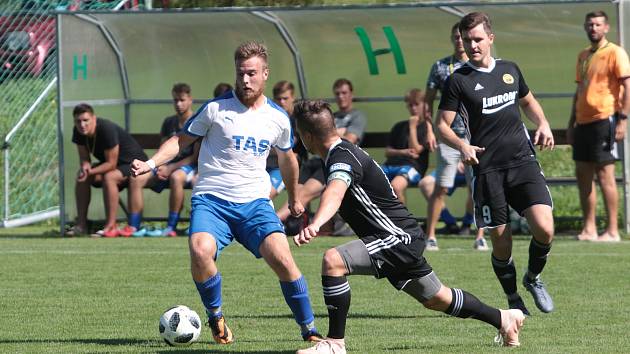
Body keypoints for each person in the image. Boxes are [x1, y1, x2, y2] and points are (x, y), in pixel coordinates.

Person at [292, 100, 525, 354]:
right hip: (403, 237)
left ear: (306, 136)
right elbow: (328, 190)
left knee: (333, 260)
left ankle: (335, 343)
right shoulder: (340, 154)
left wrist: (315, 223)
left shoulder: (341, 157)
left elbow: (334, 193)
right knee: (437, 298)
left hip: (395, 237)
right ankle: (504, 319)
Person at [131, 41, 322, 344]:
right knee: (199, 250)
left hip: (255, 204)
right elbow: (181, 141)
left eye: (251, 73)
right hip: (212, 200)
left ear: (265, 74)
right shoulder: (216, 108)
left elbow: (288, 159)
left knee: (284, 260)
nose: (245, 80)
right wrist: (152, 163)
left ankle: (309, 330)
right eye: (240, 73)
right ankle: (215, 316)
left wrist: (296, 199)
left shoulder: (278, 119)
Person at [436, 12, 555, 315]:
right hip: (487, 170)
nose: (472, 45)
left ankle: (534, 277)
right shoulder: (458, 80)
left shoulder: (510, 69)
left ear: (491, 38)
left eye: (477, 39)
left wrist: (543, 123)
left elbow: (528, 101)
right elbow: (442, 126)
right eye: (467, 40)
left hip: (522, 161)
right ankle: (513, 296)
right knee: (502, 244)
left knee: (545, 228)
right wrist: (462, 144)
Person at [568, 10, 630, 243]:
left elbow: (627, 86)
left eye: (597, 24)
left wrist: (623, 120)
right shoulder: (583, 55)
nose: (593, 28)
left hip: (605, 119)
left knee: (605, 175)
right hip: (583, 122)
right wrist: (571, 122)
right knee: (583, 174)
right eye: (589, 24)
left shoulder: (615, 52)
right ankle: (589, 228)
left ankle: (613, 230)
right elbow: (580, 90)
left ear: (606, 28)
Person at [276, 78, 367, 235]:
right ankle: (283, 222)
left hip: (335, 161)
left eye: (344, 93)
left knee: (303, 194)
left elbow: (350, 139)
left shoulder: (357, 116)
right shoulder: (331, 114)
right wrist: (339, 131)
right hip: (316, 160)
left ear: (351, 94)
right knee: (294, 193)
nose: (340, 97)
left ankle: (272, 223)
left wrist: (326, 132)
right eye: (337, 93)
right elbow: (322, 134)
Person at [422, 22, 480, 251]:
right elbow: (427, 101)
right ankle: (431, 235)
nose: (459, 41)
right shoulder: (440, 66)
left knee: (478, 186)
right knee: (441, 187)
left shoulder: (479, 64)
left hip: (474, 135)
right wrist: (428, 129)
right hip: (447, 136)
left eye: (462, 37)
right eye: (456, 37)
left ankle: (480, 235)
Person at [121, 83, 200, 237]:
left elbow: (194, 157)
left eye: (182, 100)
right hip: (167, 166)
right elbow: (163, 149)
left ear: (190, 100)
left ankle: (171, 227)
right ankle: (134, 226)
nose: (178, 104)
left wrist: (171, 168)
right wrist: (161, 166)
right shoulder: (168, 122)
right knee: (136, 179)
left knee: (177, 177)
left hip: (189, 167)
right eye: (175, 100)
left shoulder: (197, 121)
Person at [68, 103, 147, 237]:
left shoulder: (106, 128)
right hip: (115, 167)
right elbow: (84, 158)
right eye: (78, 121)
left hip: (135, 165)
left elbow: (111, 164)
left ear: (94, 118)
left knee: (109, 177)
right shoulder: (78, 131)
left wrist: (90, 171)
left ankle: (110, 226)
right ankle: (81, 225)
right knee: (82, 176)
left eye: (85, 120)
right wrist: (85, 167)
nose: (82, 125)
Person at [381, 88, 429, 204]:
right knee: (368, 183)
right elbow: (387, 151)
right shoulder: (399, 126)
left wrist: (413, 127)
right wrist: (403, 152)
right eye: (410, 105)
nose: (413, 109)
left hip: (412, 167)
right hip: (390, 165)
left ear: (424, 105)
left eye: (417, 104)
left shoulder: (428, 128)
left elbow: (416, 150)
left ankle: (402, 221)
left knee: (396, 187)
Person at [267, 81, 308, 200]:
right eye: (278, 99)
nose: (282, 102)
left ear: (293, 97)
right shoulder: (270, 118)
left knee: (265, 196)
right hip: (266, 162)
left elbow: (286, 147)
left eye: (285, 98)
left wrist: (267, 148)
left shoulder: (298, 118)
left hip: (288, 164)